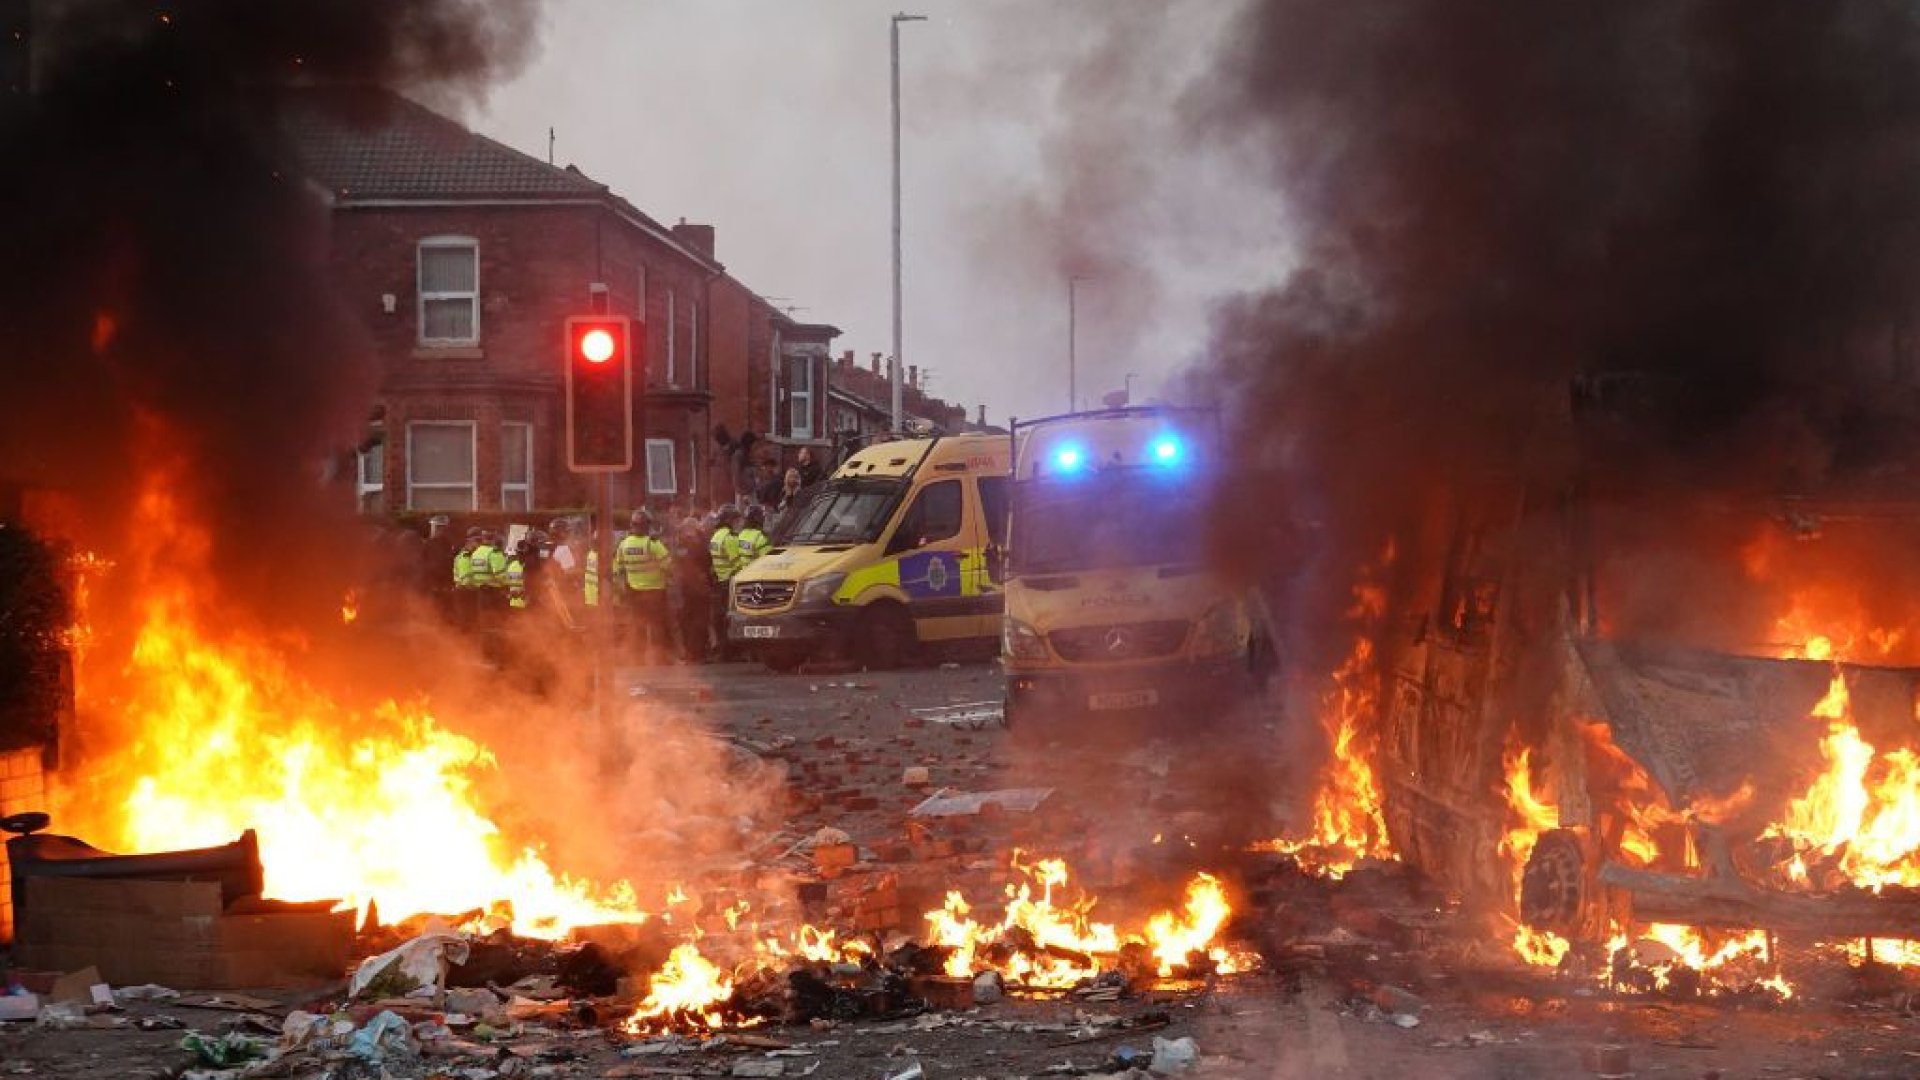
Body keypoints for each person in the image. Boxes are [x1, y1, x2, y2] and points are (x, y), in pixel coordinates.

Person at [617, 510, 672, 663]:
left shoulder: (624, 544)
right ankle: (660, 658)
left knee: (637, 626)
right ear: (647, 525)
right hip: (655, 591)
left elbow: (619, 567)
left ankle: (637, 658)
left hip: (634, 592)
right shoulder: (652, 543)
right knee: (657, 626)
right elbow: (668, 565)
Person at [671, 519, 715, 662]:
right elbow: (708, 563)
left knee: (686, 622)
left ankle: (690, 654)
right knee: (700, 622)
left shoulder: (678, 547)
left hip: (684, 590)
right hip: (699, 589)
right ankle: (699, 654)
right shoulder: (699, 546)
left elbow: (676, 566)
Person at [708, 506, 744, 657]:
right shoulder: (729, 538)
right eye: (735, 520)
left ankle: (723, 650)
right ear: (729, 520)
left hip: (720, 581)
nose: (738, 523)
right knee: (731, 618)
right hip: (730, 582)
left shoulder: (715, 536)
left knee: (720, 617)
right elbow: (738, 565)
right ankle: (732, 651)